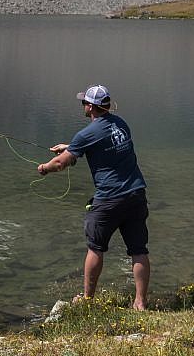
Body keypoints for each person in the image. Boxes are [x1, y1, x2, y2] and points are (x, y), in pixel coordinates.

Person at [36, 85, 150, 310]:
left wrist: (44, 168)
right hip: (136, 194)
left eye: (83, 103)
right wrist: (72, 147)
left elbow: (60, 163)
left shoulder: (87, 133)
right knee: (139, 249)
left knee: (95, 247)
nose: (83, 106)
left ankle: (87, 300)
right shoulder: (121, 124)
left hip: (109, 199)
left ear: (90, 107)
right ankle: (140, 302)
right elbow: (105, 142)